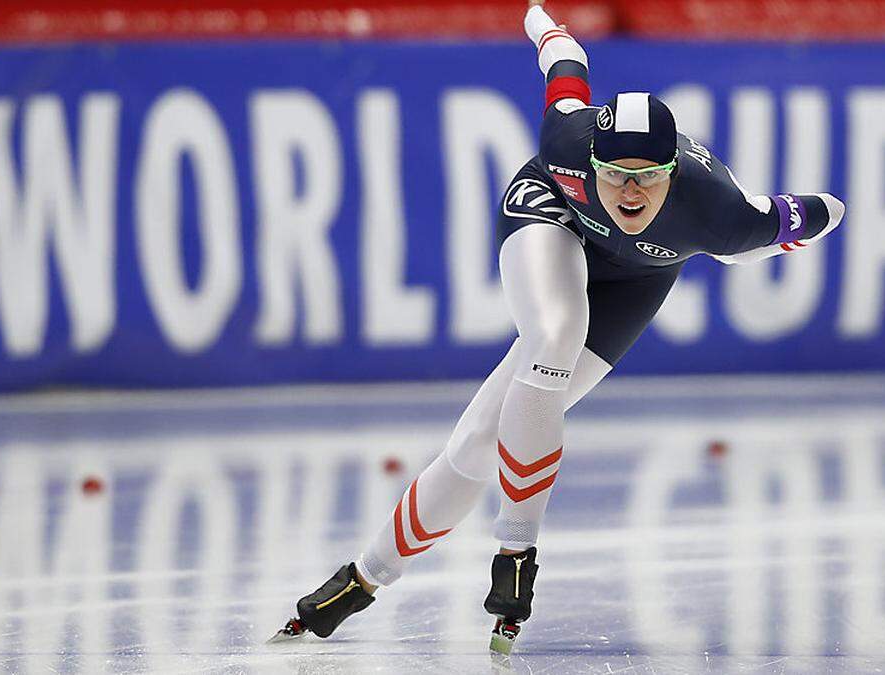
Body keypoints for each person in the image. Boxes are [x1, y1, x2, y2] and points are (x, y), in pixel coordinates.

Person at [271, 0, 845, 654]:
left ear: (672, 174)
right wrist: (539, 14)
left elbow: (802, 217)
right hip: (548, 217)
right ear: (593, 162)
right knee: (555, 331)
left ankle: (362, 578)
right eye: (616, 176)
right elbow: (564, 62)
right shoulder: (567, 144)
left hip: (636, 280)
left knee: (478, 444)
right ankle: (517, 552)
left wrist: (820, 214)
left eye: (647, 180)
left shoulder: (720, 216)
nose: (630, 194)